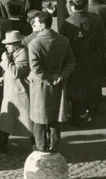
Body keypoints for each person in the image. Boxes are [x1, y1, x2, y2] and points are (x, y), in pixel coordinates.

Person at [26, 10, 75, 153]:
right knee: (54, 117)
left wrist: (48, 78)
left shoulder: (34, 43)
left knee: (39, 117)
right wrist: (61, 76)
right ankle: (54, 145)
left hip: (40, 85)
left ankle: (40, 147)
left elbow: (35, 66)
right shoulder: (63, 40)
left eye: (35, 22)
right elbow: (71, 61)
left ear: (42, 25)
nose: (33, 24)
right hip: (58, 84)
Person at [0, 30, 32, 154]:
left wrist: (5, 61)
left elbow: (16, 72)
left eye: (9, 44)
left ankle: (38, 147)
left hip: (19, 95)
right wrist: (4, 77)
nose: (6, 46)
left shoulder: (23, 54)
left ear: (17, 44)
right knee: (6, 122)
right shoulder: (16, 52)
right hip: (12, 94)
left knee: (28, 124)